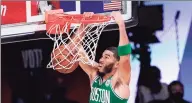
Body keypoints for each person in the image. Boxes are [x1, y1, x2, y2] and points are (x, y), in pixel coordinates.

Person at [55, 11, 131, 103]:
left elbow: (125, 57)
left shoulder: (120, 82)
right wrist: (85, 23)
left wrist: (121, 25)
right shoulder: (94, 76)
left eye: (106, 57)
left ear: (117, 64)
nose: (101, 59)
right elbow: (76, 48)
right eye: (102, 56)